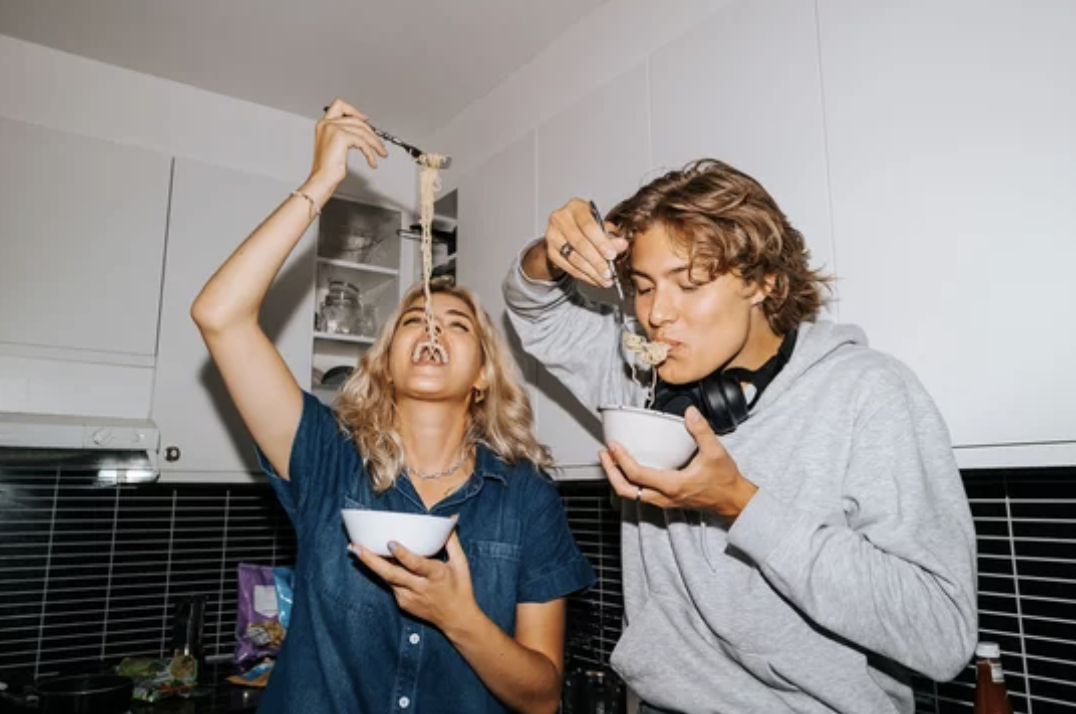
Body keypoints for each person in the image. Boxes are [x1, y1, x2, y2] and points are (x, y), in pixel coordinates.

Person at [502, 158, 978, 714]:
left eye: (689, 284)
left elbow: (941, 632)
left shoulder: (867, 393)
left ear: (763, 283)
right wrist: (550, 250)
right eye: (644, 286)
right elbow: (536, 307)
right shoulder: (641, 378)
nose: (656, 313)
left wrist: (740, 504)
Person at [192, 98, 595, 714]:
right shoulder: (325, 457)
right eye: (414, 319)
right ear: (384, 361)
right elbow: (220, 316)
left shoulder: (525, 499)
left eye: (457, 325)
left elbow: (541, 697)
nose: (432, 329)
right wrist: (322, 181)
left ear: (483, 375)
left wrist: (459, 617)